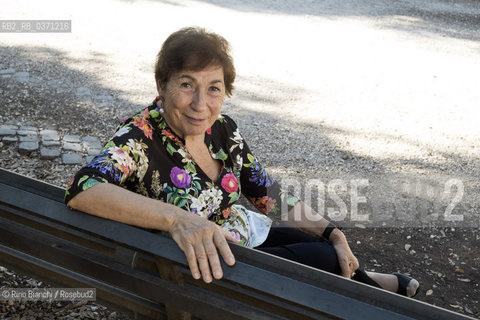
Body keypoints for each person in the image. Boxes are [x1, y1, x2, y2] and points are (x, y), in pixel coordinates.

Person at [65, 27, 419, 297]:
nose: (200, 103)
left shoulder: (222, 130)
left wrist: (334, 232)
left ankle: (366, 281)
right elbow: (83, 188)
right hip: (191, 268)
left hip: (234, 238)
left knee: (326, 247)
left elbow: (266, 192)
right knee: (323, 262)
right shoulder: (139, 137)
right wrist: (177, 219)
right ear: (162, 84)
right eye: (187, 84)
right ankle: (370, 287)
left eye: (214, 88)